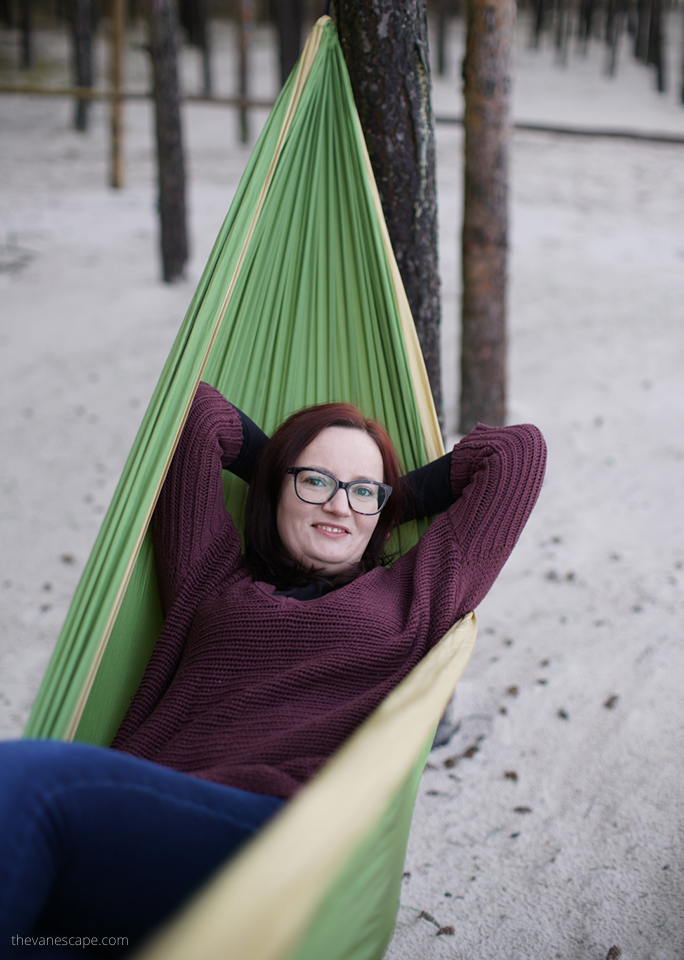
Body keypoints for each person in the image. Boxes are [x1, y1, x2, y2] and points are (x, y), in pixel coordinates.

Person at [0, 383, 546, 955]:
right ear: (275, 490)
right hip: (132, 827)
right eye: (316, 482)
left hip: (273, 839)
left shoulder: (412, 597)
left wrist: (385, 497)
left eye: (363, 491)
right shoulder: (210, 578)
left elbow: (517, 453)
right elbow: (195, 414)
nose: (339, 505)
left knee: (29, 780)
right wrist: (284, 470)